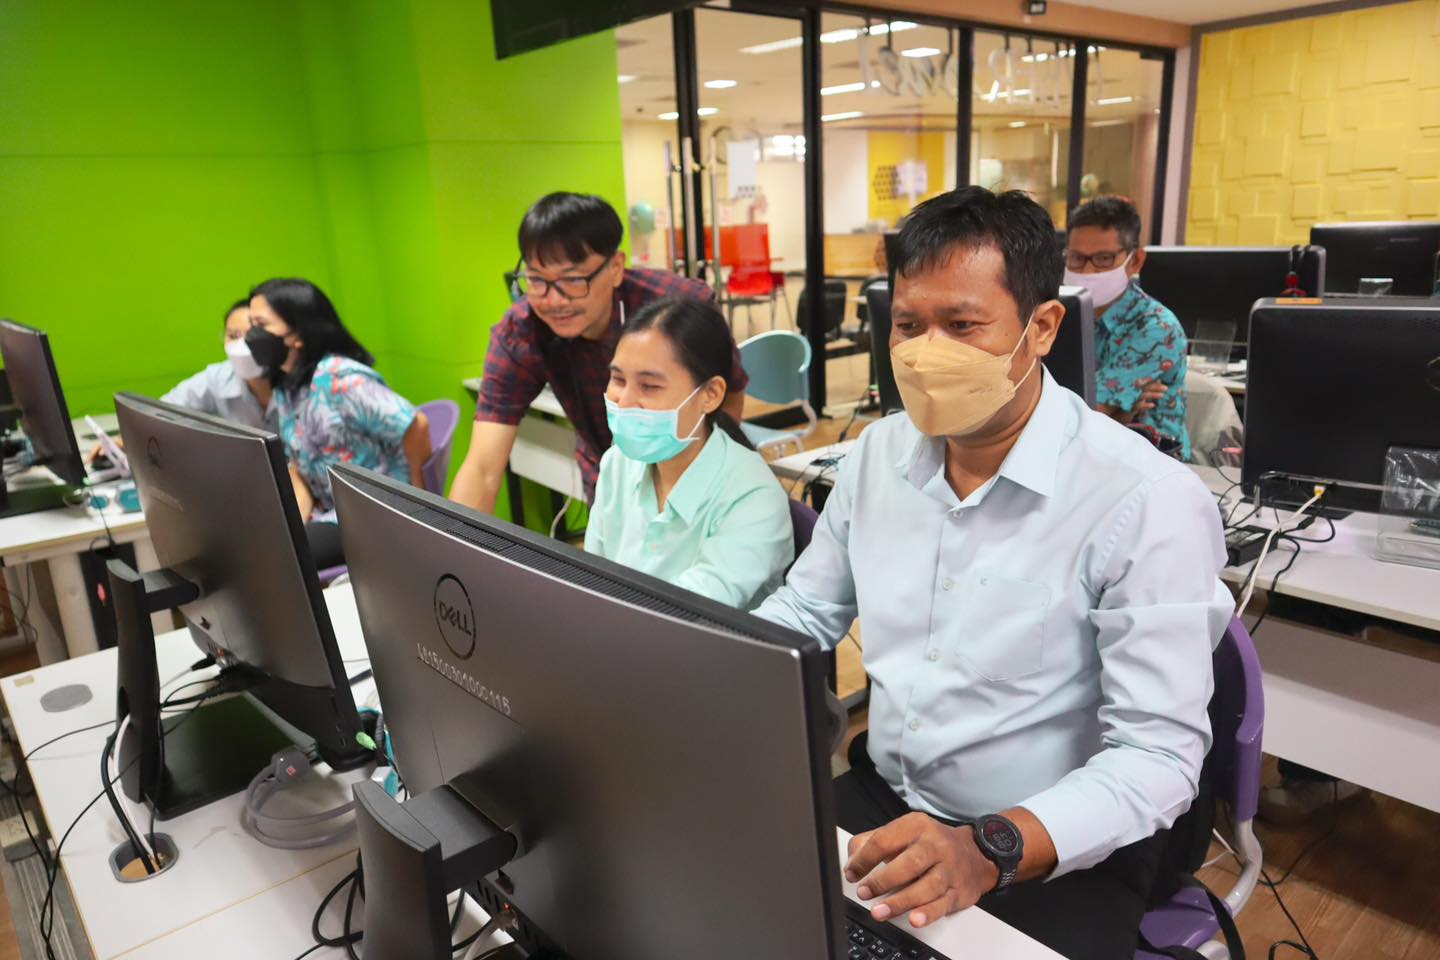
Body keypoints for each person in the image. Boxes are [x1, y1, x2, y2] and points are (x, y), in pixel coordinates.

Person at [755, 187, 1230, 960]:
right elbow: (805, 614)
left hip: (1048, 845)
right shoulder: (877, 457)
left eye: (962, 325)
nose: (924, 352)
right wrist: (705, 673)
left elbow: (1158, 757)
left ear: (1041, 328)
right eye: (908, 325)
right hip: (885, 798)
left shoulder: (1143, 500)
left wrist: (989, 848)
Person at [449, 192, 749, 514]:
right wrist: (449, 544)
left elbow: (729, 391)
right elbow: (483, 469)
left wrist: (703, 471)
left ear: (616, 267)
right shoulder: (522, 331)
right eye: (536, 280)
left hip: (691, 468)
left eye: (573, 280)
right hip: (605, 469)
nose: (554, 300)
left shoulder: (679, 308)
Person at [585, 298, 792, 610]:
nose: (624, 401)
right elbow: (592, 576)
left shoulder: (753, 496)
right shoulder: (619, 463)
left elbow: (689, 611)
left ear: (710, 395)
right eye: (618, 379)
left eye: (649, 386)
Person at [246, 278, 431, 566]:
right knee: (266, 546)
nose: (252, 335)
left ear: (297, 334)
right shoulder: (286, 388)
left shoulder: (340, 379)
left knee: (282, 559)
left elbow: (416, 424)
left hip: (374, 513)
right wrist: (294, 524)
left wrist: (418, 501)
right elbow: (299, 467)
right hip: (331, 513)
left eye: (261, 324)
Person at [1064, 195, 1192, 460]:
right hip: (1078, 455)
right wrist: (1119, 411)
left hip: (1151, 462)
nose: (1087, 270)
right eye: (1076, 258)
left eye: (1103, 258)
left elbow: (1082, 414)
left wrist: (1110, 412)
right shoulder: (1061, 313)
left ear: (1135, 261)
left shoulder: (1156, 327)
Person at [162, 298, 277, 430]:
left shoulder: (295, 384)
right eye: (233, 336)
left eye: (252, 336)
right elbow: (164, 411)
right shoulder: (219, 377)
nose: (242, 345)